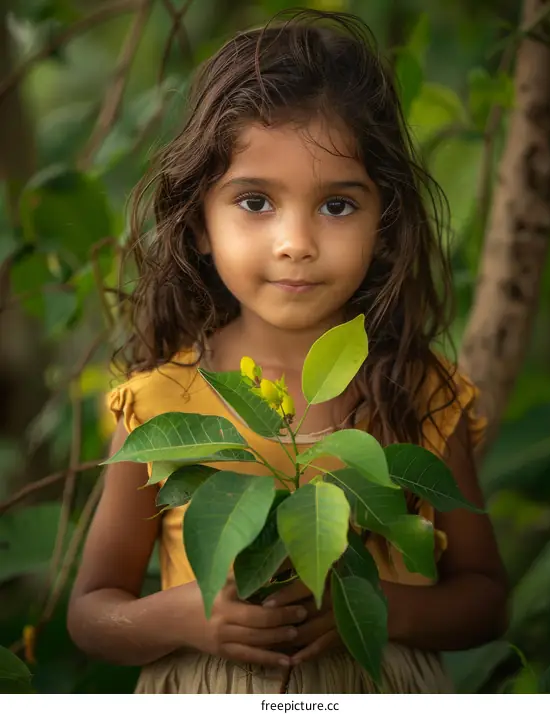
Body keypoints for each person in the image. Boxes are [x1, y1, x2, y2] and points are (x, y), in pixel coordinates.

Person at [66, 9, 509, 694]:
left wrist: (376, 608)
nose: (295, 241)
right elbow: (91, 614)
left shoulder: (419, 393)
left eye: (336, 206)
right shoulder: (162, 406)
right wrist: (187, 614)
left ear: (384, 223)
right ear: (200, 224)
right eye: (255, 202)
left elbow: (484, 599)